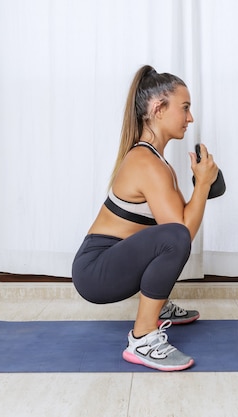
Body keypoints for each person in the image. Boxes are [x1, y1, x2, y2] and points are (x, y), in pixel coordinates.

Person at [71, 65, 219, 371]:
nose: (190, 118)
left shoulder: (157, 162)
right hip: (95, 271)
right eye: (185, 108)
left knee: (171, 237)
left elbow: (181, 227)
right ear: (157, 109)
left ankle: (158, 307)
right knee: (173, 237)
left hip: (110, 263)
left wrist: (202, 185)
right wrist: (202, 186)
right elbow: (181, 235)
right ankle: (142, 338)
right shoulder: (146, 163)